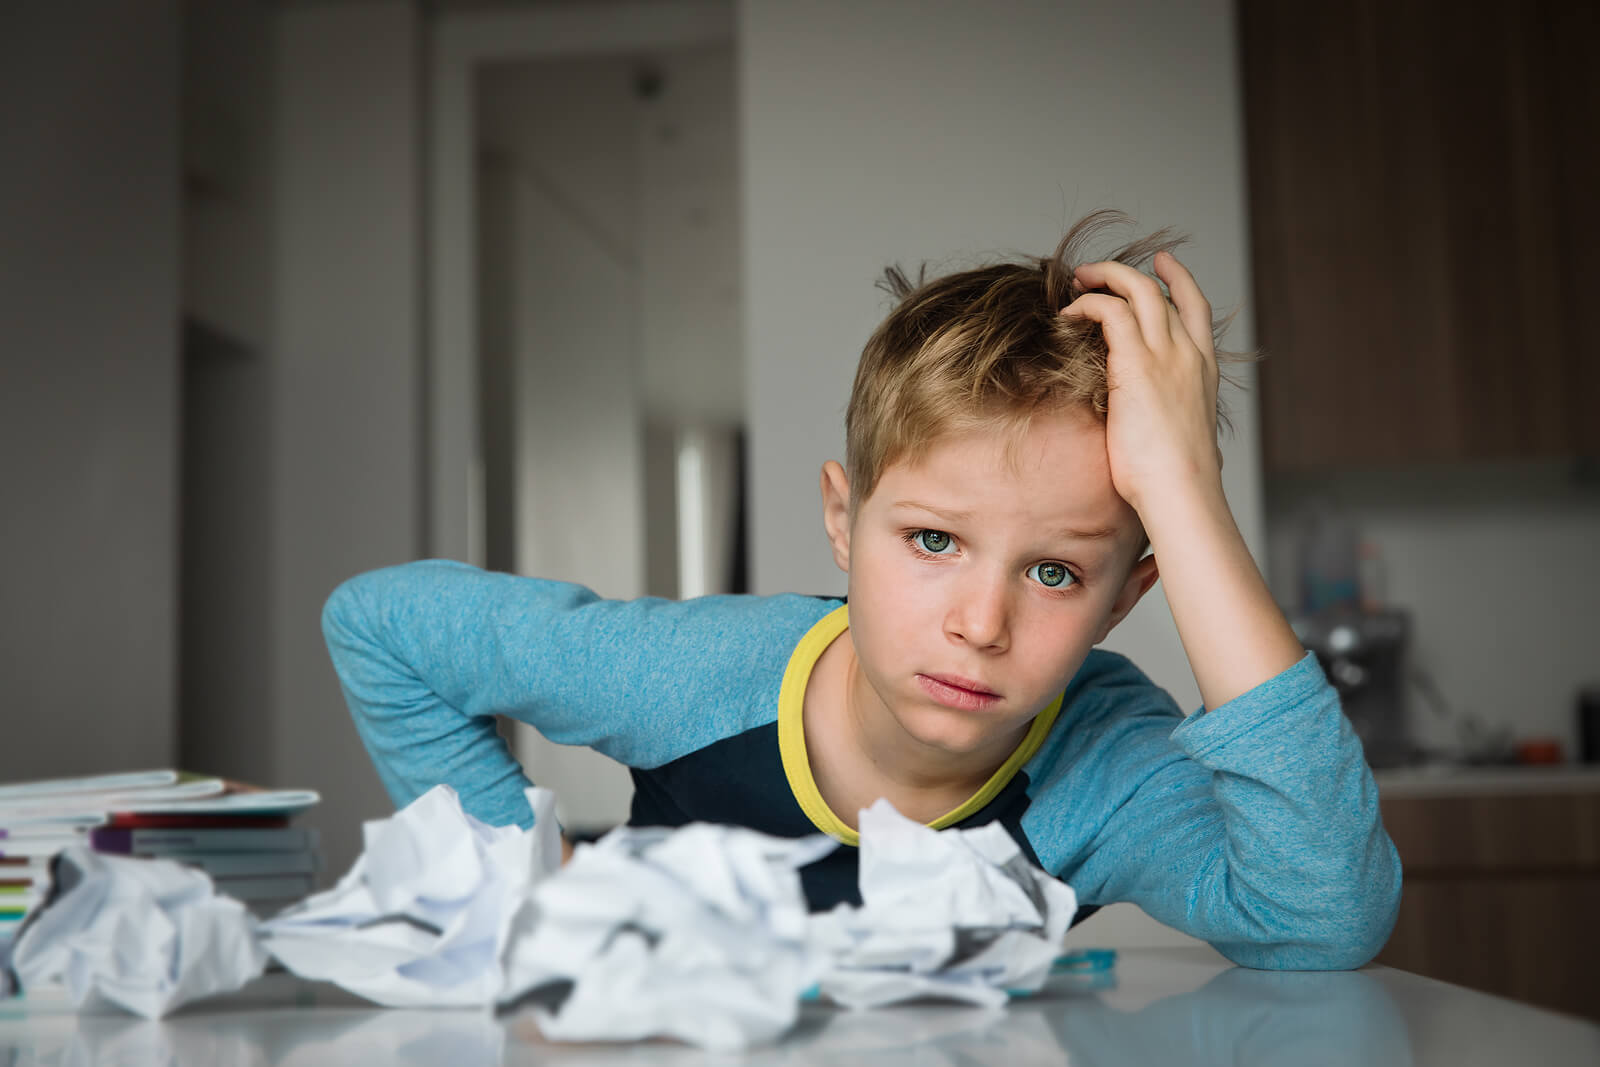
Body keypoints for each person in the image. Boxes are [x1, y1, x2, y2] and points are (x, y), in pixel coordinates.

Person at [322, 211, 1401, 969]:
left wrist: (1184, 496)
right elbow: (381, 626)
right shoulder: (691, 678)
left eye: (1055, 570)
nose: (980, 625)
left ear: (1129, 594)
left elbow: (1321, 918)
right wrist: (530, 895)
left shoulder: (1103, 769)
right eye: (932, 538)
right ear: (842, 519)